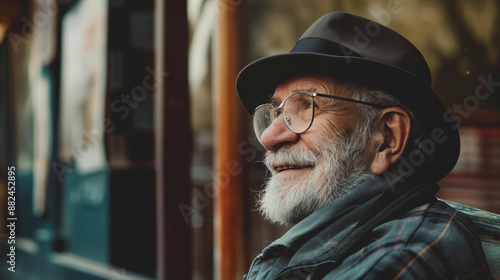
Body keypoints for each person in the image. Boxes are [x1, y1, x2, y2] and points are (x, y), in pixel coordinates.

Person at [236, 12, 492, 279]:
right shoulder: (342, 236)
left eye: (308, 106)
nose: (269, 137)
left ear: (387, 138)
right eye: (277, 113)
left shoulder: (404, 254)